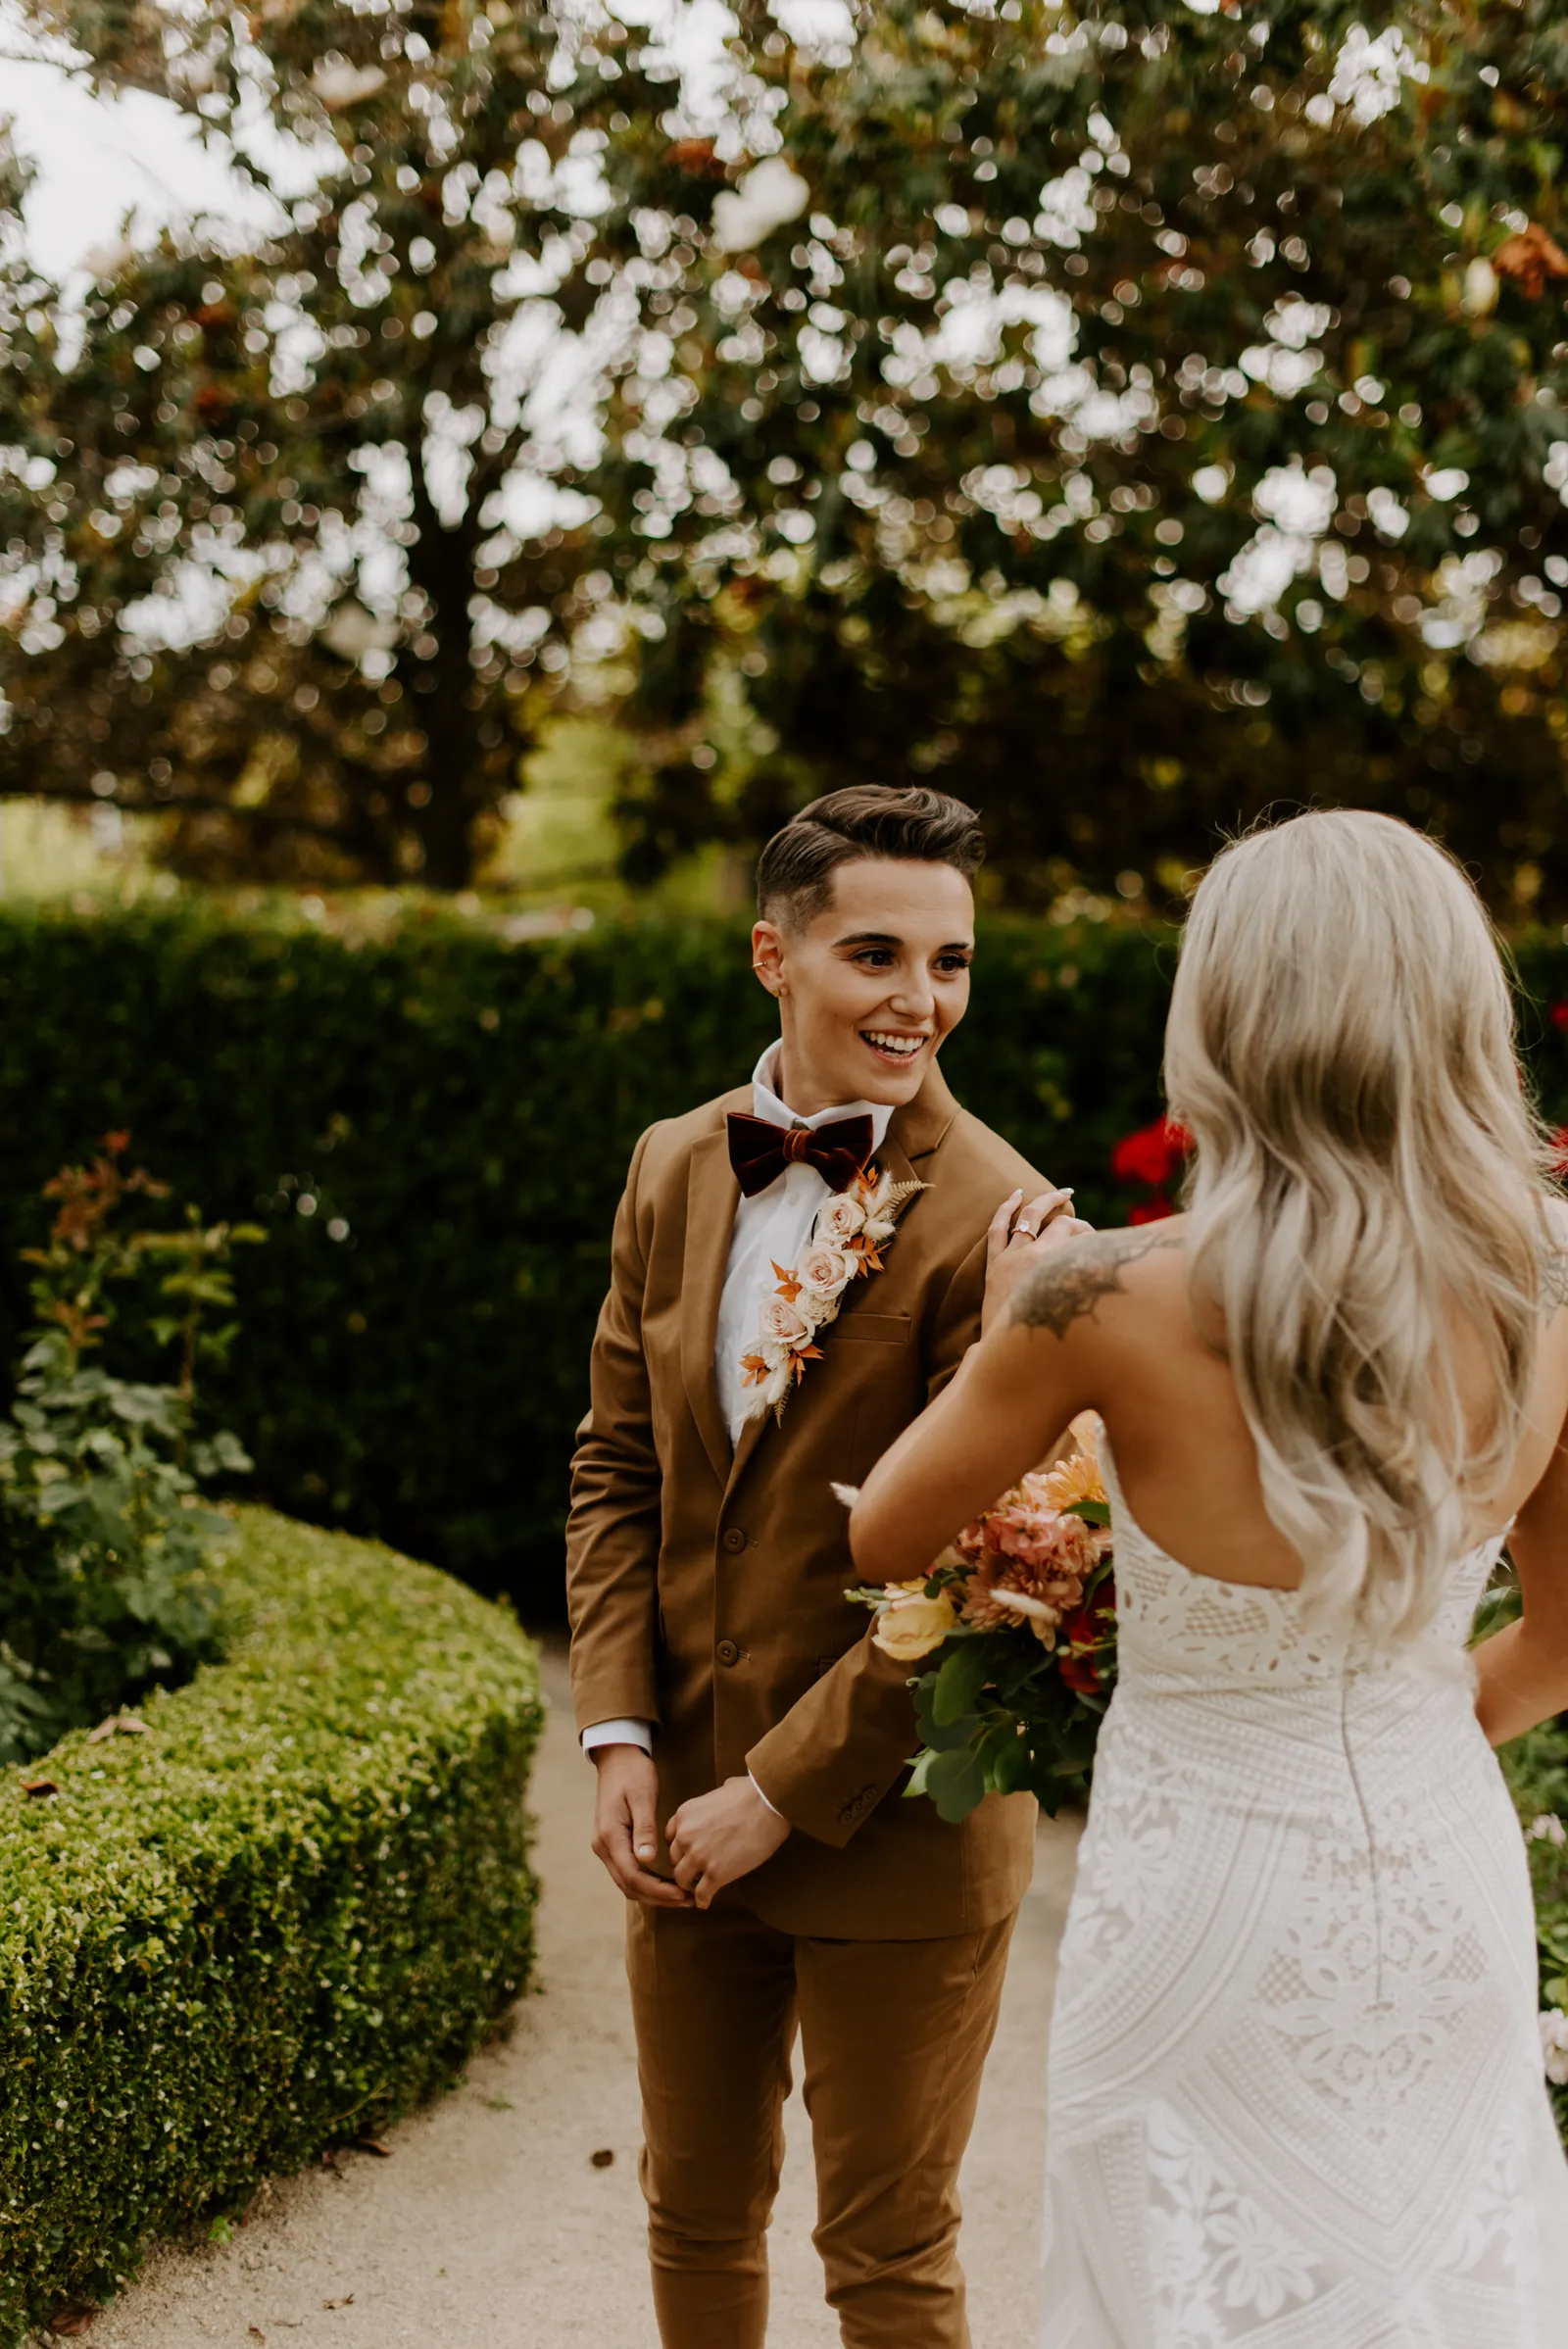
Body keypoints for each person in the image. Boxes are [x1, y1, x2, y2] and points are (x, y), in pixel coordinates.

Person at [850, 808, 1568, 2347]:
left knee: (1179, 2291)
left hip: (1197, 1887)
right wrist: (1400, 1737)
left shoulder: (1096, 1293)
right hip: (1444, 1874)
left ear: (1225, 1017)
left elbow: (884, 1536)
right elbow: (1565, 1644)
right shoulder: (1551, 1275)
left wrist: (1006, 1327)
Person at [566, 783, 1082, 2349]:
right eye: (877, 955)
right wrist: (622, 1736)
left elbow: (995, 1574)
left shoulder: (1009, 1221)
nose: (921, 999)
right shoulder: (670, 1165)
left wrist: (777, 1793)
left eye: (952, 960)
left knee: (889, 2251)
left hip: (900, 1830)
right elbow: (619, 1466)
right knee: (692, 2208)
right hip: (681, 1817)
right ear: (771, 956)